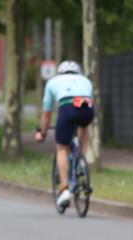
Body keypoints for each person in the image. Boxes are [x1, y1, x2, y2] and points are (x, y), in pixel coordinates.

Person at [34, 60, 95, 208]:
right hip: (87, 107)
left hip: (67, 108)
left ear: (60, 72)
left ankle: (65, 189)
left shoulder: (53, 82)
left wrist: (43, 132)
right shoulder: (86, 81)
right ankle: (81, 158)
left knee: (62, 147)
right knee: (84, 126)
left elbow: (47, 114)